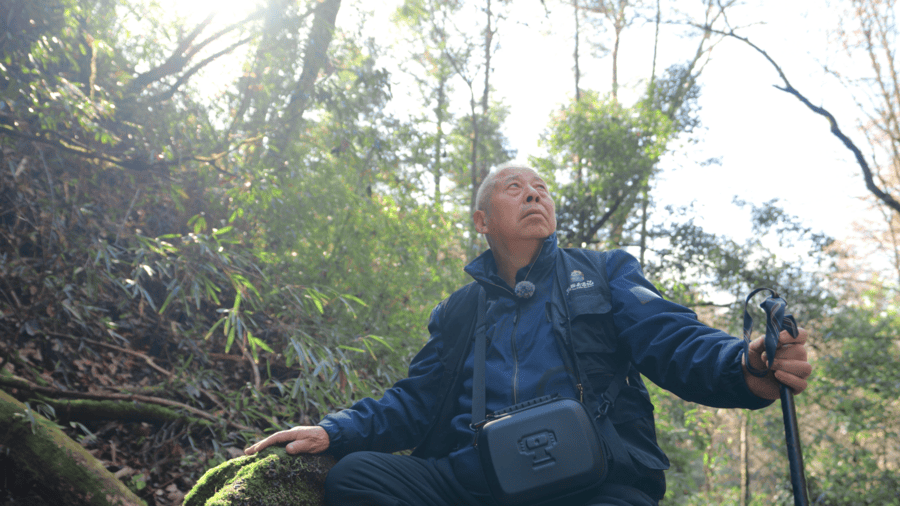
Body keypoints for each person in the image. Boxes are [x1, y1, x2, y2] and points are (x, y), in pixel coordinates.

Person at [245, 163, 812, 506]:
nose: (534, 194)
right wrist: (333, 431)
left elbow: (671, 336)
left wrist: (744, 365)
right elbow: (416, 400)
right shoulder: (459, 311)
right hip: (474, 483)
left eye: (541, 187)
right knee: (358, 477)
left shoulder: (603, 273)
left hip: (593, 481)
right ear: (482, 221)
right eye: (514, 187)